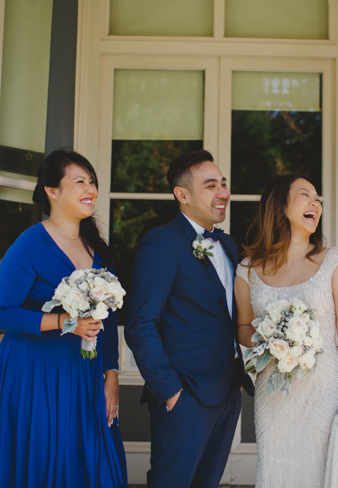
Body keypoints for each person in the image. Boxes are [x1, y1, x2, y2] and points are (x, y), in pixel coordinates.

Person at [0, 150, 127, 488]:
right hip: (36, 372)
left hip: (86, 371)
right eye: (80, 182)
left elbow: (107, 320)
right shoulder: (30, 245)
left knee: (94, 461)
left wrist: (112, 372)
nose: (90, 188)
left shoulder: (98, 250)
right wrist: (65, 322)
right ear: (52, 191)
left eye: (92, 181)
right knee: (46, 456)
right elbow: (0, 313)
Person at [124, 150, 254, 488]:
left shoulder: (226, 243)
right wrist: (170, 391)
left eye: (223, 184)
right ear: (182, 195)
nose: (223, 192)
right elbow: (140, 324)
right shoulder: (163, 241)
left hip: (227, 391)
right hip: (186, 395)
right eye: (211, 185)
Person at [235, 174, 338, 487]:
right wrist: (270, 338)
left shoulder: (335, 262)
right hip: (274, 396)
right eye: (306, 195)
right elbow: (242, 327)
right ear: (281, 206)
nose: (316, 203)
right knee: (276, 469)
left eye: (318, 198)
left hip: (324, 391)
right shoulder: (248, 270)